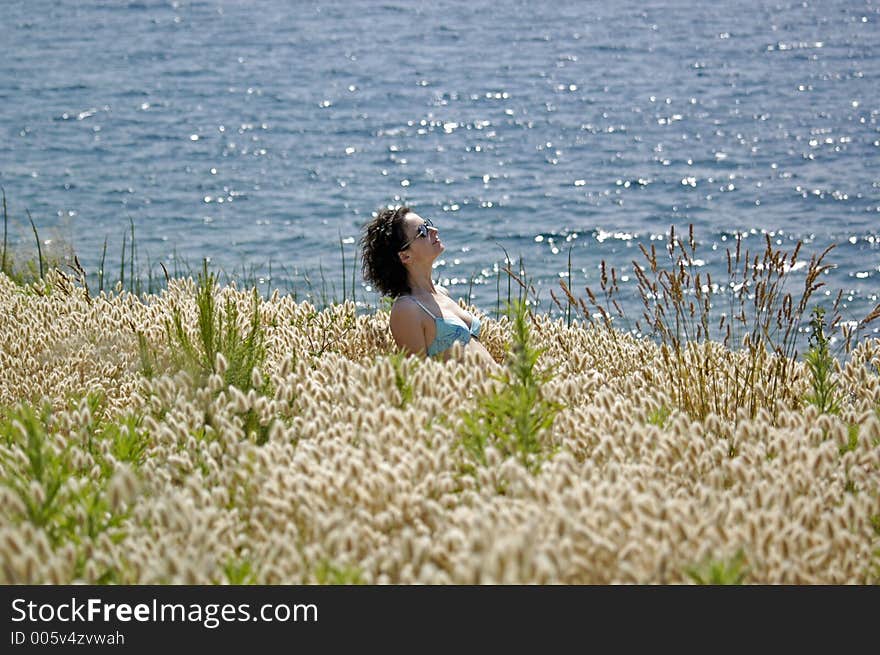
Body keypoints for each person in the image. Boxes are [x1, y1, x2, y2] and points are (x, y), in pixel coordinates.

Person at [361, 205, 495, 364]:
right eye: (422, 231)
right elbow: (421, 376)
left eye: (428, 223)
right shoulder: (406, 309)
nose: (434, 230)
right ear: (405, 256)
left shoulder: (442, 293)